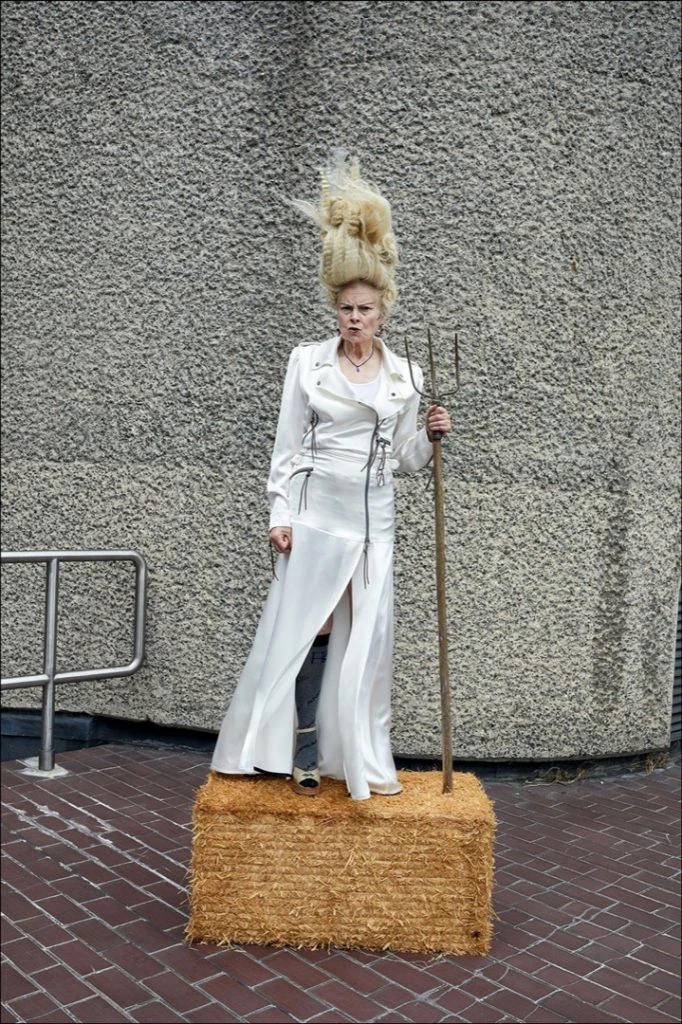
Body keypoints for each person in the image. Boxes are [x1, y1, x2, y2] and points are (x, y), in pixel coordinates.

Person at [211, 153, 451, 801]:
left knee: (365, 643)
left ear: (382, 311)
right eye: (346, 307)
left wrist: (430, 437)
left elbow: (404, 460)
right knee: (304, 631)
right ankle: (296, 751)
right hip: (316, 515)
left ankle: (359, 760)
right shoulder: (307, 364)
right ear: (335, 308)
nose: (354, 318)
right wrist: (279, 514)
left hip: (374, 523)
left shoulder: (406, 376)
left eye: (365, 308)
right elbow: (287, 447)